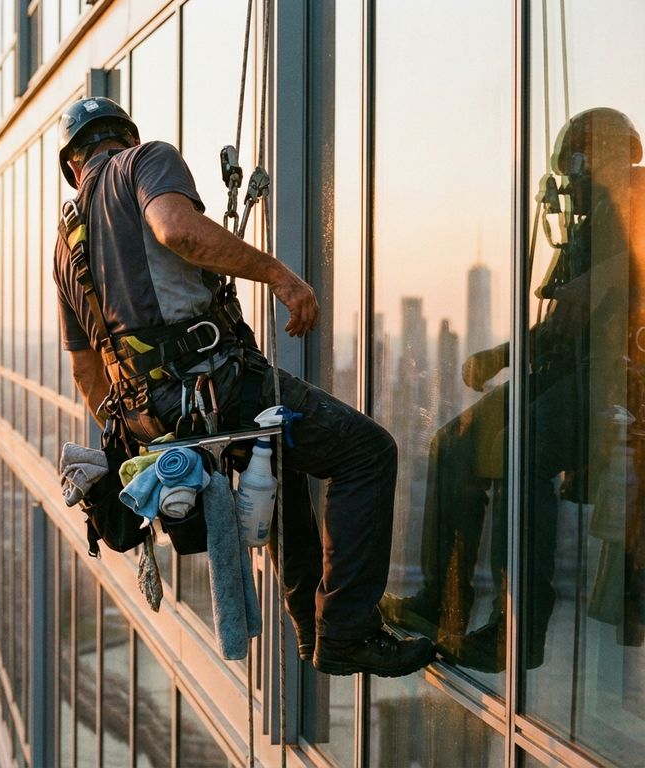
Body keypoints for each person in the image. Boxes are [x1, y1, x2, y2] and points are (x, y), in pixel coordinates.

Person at [52, 96, 434, 677]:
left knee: (284, 466)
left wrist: (139, 435)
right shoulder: (145, 161)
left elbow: (87, 372)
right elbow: (176, 229)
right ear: (123, 138)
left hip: (149, 417)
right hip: (214, 386)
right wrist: (280, 275)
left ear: (73, 165)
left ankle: (315, 628)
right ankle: (348, 631)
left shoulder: (66, 243)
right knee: (366, 451)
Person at [380, 107, 645, 670]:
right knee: (450, 444)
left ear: (603, 157)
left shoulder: (639, 204)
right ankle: (441, 605)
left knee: (520, 456)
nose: (569, 179)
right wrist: (502, 356)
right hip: (568, 372)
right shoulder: (591, 223)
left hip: (616, 381)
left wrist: (606, 276)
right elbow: (561, 321)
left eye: (577, 162)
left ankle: (515, 633)